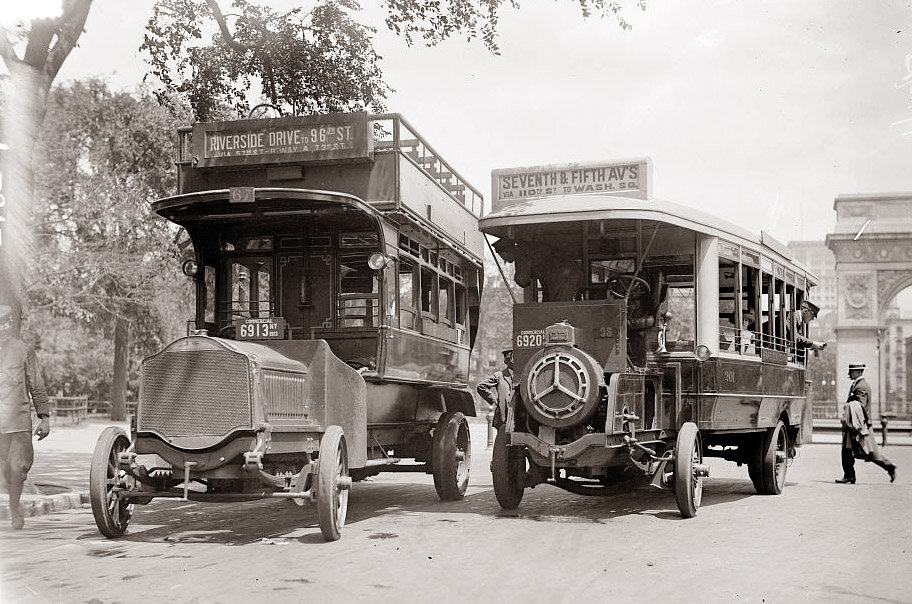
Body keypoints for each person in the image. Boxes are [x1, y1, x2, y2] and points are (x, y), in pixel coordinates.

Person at [0, 305, 51, 529]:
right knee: (5, 470)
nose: (2, 328)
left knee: (16, 468)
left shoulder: (23, 350)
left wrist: (45, 418)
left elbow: (36, 385)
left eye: (5, 323)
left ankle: (14, 510)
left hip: (18, 422)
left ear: (11, 324)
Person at [836, 362, 897, 484]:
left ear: (859, 372)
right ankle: (850, 475)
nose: (850, 373)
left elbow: (860, 406)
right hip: (857, 425)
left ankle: (888, 466)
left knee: (866, 452)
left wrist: (847, 407)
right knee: (853, 451)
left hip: (858, 426)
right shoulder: (858, 384)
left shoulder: (861, 387)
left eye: (852, 371)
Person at [476, 349, 514, 429]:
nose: (512, 361)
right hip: (503, 418)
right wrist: (494, 400)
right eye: (509, 359)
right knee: (502, 440)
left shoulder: (524, 375)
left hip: (520, 417)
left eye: (513, 359)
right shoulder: (499, 375)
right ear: (505, 362)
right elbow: (481, 386)